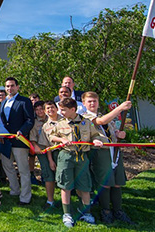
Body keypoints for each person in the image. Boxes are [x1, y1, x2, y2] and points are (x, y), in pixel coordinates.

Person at [49, 98, 107, 228]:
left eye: (63, 110)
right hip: (66, 156)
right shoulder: (60, 123)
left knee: (85, 185)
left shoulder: (86, 123)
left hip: (81, 157)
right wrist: (61, 139)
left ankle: (85, 212)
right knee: (66, 185)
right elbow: (51, 136)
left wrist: (97, 140)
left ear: (73, 109)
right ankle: (67, 213)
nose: (61, 112)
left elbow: (95, 135)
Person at [81, 91, 134, 224]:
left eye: (95, 101)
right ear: (84, 103)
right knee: (106, 183)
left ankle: (118, 210)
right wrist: (120, 108)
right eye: (89, 101)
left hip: (114, 151)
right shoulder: (85, 117)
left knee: (117, 183)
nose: (92, 103)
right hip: (101, 153)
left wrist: (120, 134)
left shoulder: (105, 117)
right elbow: (100, 122)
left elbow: (111, 129)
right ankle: (106, 211)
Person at [0, 77, 34, 206]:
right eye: (7, 86)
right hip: (6, 141)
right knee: (7, 166)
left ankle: (25, 197)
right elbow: (3, 121)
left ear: (17, 87)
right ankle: (15, 190)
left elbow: (30, 120)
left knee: (23, 169)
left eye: (12, 86)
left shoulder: (24, 101)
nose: (9, 88)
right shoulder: (3, 102)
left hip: (19, 140)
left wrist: (22, 131)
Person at [29, 100, 56, 209]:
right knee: (47, 173)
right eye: (37, 110)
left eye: (41, 109)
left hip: (56, 149)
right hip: (43, 150)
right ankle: (50, 200)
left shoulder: (53, 119)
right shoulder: (35, 123)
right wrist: (35, 146)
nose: (40, 111)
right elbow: (33, 137)